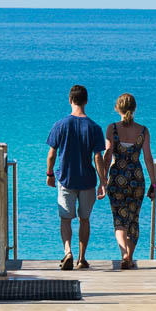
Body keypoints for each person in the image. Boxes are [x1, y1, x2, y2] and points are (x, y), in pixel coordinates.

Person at [45, 85, 106, 270]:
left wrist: (49, 174)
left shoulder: (60, 125)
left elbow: (51, 154)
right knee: (84, 219)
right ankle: (81, 258)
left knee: (65, 219)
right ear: (86, 101)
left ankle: (67, 251)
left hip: (66, 178)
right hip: (87, 180)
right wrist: (103, 181)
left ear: (70, 100)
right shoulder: (94, 127)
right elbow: (97, 157)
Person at [102, 93, 156, 269]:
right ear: (134, 108)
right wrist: (153, 183)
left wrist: (102, 178)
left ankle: (124, 254)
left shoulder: (112, 128)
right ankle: (130, 257)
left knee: (119, 219)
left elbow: (108, 153)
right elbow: (148, 158)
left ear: (118, 108)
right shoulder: (143, 131)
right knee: (134, 218)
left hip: (117, 177)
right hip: (136, 178)